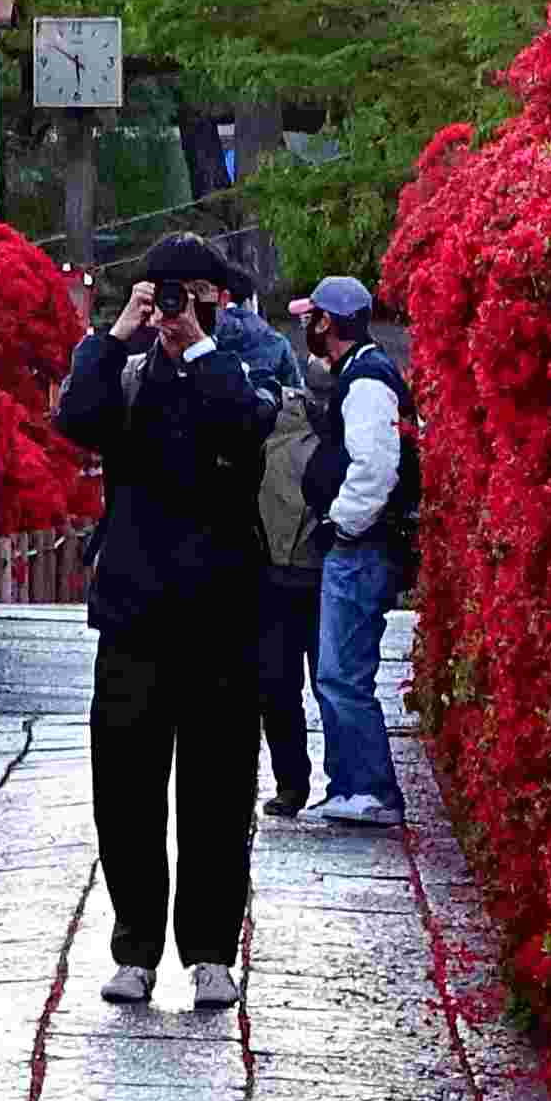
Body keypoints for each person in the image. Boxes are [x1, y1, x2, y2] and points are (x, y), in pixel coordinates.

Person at [53, 231, 277, 1010]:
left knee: (219, 788)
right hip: (134, 610)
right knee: (126, 787)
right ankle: (134, 946)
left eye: (189, 293)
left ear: (216, 298)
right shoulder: (126, 373)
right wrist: (116, 337)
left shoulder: (250, 364)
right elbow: (76, 421)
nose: (176, 307)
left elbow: (244, 429)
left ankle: (211, 949)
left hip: (221, 612)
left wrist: (199, 349)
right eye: (163, 293)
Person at [291, 276, 417, 825]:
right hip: (361, 542)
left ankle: (371, 789)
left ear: (328, 323)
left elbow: (374, 467)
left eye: (311, 317)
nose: (304, 327)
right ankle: (349, 787)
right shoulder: (362, 373)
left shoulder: (366, 381)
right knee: (339, 672)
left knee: (343, 672)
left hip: (362, 546)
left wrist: (341, 523)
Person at [230, 287, 325, 818]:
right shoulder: (282, 422)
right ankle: (305, 781)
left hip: (294, 569)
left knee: (293, 685)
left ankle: (302, 782)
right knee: (297, 684)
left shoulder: (331, 422)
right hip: (290, 569)